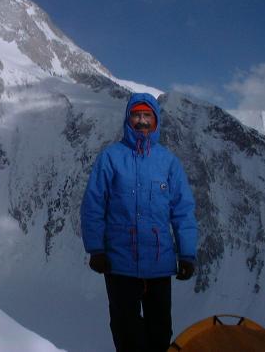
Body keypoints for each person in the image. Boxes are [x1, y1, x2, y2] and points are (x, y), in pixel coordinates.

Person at [81, 92, 198, 352]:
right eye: (137, 115)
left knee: (160, 333)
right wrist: (96, 249)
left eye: (147, 115)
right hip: (119, 264)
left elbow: (183, 210)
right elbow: (93, 205)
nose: (142, 121)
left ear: (155, 120)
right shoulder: (110, 158)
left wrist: (187, 254)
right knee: (126, 333)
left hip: (159, 265)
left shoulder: (168, 162)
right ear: (128, 118)